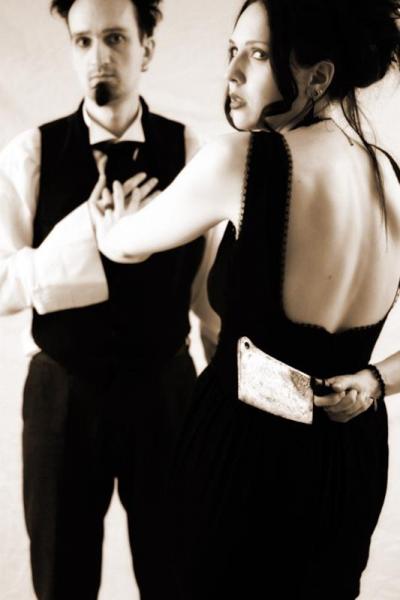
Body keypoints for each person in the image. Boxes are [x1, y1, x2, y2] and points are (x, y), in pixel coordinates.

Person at [90, 0, 400, 598]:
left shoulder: (244, 160)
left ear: (319, 76)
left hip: (243, 453)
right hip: (351, 462)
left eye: (256, 55)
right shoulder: (392, 178)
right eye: (231, 51)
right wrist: (373, 380)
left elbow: (127, 244)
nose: (231, 73)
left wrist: (110, 224)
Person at [0, 0, 221, 598]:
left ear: (147, 47)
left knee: (179, 576)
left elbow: (210, 298)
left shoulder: (192, 152)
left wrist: (225, 407)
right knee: (61, 580)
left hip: (167, 393)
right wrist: (88, 236)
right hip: (61, 397)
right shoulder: (31, 153)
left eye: (116, 38)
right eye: (83, 41)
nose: (99, 57)